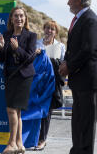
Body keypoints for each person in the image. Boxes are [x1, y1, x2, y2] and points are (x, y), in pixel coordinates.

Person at [59, 0, 97, 154]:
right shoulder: (80, 19)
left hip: (89, 79)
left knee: (86, 123)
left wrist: (69, 66)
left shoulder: (90, 20)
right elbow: (74, 49)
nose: (67, 3)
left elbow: (88, 49)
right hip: (80, 79)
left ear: (78, 1)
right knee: (78, 121)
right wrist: (66, 61)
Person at [0, 6, 37, 154]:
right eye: (16, 16)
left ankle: (11, 143)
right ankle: (19, 144)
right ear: (11, 19)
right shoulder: (6, 35)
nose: (19, 18)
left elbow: (30, 58)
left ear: (25, 19)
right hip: (10, 76)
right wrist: (0, 47)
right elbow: (1, 59)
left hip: (24, 77)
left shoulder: (31, 36)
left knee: (11, 109)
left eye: (21, 16)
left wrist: (17, 48)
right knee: (16, 112)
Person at [34, 21, 65, 151]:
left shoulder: (61, 46)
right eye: (47, 28)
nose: (49, 31)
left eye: (52, 29)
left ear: (56, 32)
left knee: (47, 112)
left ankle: (42, 139)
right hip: (38, 82)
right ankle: (33, 137)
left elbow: (63, 64)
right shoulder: (37, 43)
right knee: (36, 110)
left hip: (52, 83)